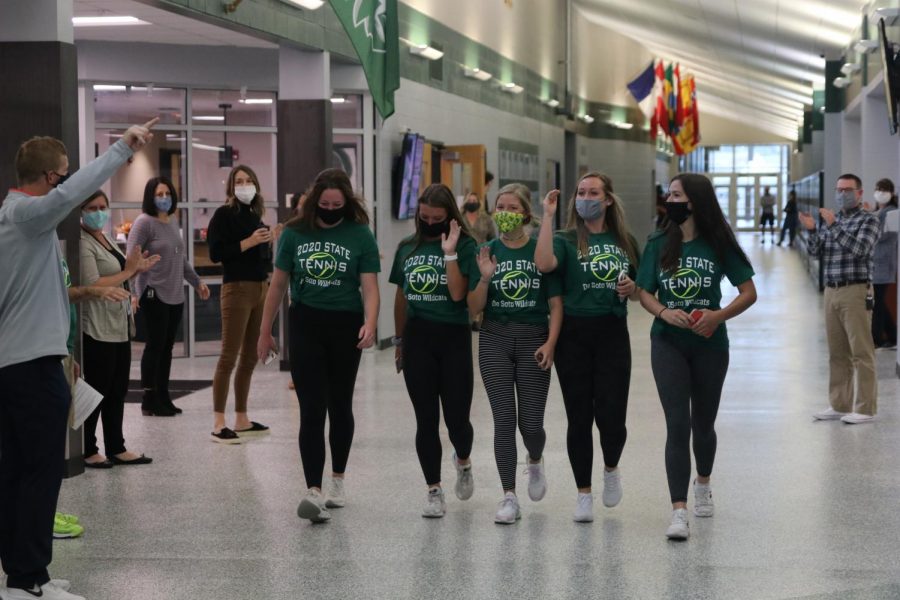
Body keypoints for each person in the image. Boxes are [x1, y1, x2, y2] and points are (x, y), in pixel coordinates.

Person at [0, 118, 156, 600]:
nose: (67, 184)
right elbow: (69, 198)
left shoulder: (19, 220)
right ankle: (27, 577)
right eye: (63, 175)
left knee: (21, 469)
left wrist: (62, 352)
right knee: (40, 470)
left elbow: (41, 296)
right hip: (27, 367)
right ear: (50, 179)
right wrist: (120, 150)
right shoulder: (26, 215)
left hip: (28, 359)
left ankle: (26, 575)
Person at [636, 173, 757, 541]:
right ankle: (678, 511)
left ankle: (702, 483)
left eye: (676, 195)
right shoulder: (658, 242)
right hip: (668, 342)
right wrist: (662, 312)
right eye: (669, 194)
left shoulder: (719, 243)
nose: (670, 200)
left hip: (710, 344)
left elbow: (748, 292)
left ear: (696, 201)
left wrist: (717, 316)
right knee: (678, 424)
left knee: (703, 424)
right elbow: (644, 291)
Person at [257, 168, 380, 523]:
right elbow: (278, 286)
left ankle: (337, 479)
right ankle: (313, 489)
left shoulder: (359, 234)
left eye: (336, 204)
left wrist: (370, 323)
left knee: (340, 405)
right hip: (306, 323)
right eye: (324, 203)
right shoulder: (295, 233)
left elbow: (369, 286)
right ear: (314, 202)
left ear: (347, 203)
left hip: (345, 325)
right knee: (311, 409)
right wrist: (266, 332)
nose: (330, 208)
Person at [534, 171, 640, 523]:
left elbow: (641, 289)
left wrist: (632, 290)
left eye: (593, 192)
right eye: (581, 192)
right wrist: (547, 217)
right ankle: (583, 493)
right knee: (579, 417)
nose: (586, 198)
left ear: (608, 199)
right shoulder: (565, 238)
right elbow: (544, 263)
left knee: (613, 419)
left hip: (612, 332)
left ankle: (611, 467)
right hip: (574, 335)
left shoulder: (624, 240)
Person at [467, 184, 563, 524]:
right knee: (504, 420)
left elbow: (555, 304)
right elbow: (473, 309)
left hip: (534, 339)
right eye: (499, 206)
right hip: (494, 338)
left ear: (525, 213)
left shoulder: (541, 251)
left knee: (531, 424)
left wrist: (551, 343)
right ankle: (509, 495)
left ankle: (535, 459)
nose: (504, 212)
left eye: (512, 207)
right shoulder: (486, 250)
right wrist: (484, 280)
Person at [390, 183, 480, 518]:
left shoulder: (467, 246)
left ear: (449, 217)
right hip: (418, 338)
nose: (429, 222)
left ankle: (464, 460)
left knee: (457, 420)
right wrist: (399, 341)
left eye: (437, 217)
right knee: (425, 419)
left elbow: (459, 296)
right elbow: (401, 297)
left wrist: (450, 251)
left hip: (454, 336)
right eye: (424, 216)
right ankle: (433, 489)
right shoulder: (407, 248)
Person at [80, 190, 159, 467]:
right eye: (92, 207)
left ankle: (116, 446)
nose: (98, 212)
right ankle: (87, 448)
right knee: (96, 389)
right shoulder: (82, 241)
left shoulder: (105, 237)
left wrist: (137, 270)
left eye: (102, 206)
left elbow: (119, 273)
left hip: (118, 326)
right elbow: (93, 283)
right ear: (81, 210)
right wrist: (128, 272)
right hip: (97, 327)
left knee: (117, 390)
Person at [800, 174, 880, 424]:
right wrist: (814, 230)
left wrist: (833, 226)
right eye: (838, 189)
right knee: (837, 352)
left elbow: (860, 250)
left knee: (861, 352)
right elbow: (815, 252)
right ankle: (839, 403)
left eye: (847, 189)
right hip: (831, 290)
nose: (841, 193)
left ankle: (865, 408)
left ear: (859, 193)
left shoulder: (869, 220)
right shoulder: (832, 219)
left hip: (855, 290)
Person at [128, 176, 210, 417]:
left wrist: (196, 281)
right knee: (155, 346)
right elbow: (131, 260)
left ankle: (163, 395)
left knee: (167, 348)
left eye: (167, 194)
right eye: (159, 194)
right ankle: (149, 398)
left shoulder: (172, 220)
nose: (164, 198)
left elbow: (179, 257)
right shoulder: (144, 223)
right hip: (153, 292)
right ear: (150, 197)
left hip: (175, 293)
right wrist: (133, 293)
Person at [207, 165, 273, 443]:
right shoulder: (224, 215)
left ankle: (241, 416)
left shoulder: (255, 215)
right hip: (237, 288)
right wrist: (248, 242)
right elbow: (216, 253)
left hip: (260, 287)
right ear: (231, 187)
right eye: (239, 181)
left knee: (249, 357)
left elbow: (261, 256)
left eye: (249, 180)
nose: (245, 185)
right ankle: (219, 420)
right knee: (228, 356)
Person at [871, 178, 898, 349]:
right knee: (878, 301)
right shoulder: (879, 211)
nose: (880, 192)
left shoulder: (893, 212)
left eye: (884, 189)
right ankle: (891, 336)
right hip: (875, 263)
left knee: (877, 303)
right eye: (878, 188)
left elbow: (881, 236)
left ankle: (878, 338)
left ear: (891, 192)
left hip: (884, 263)